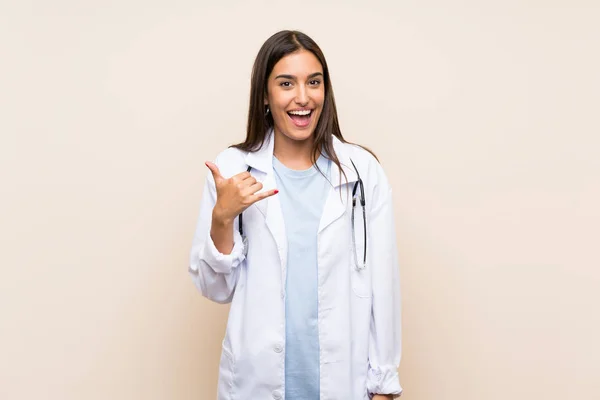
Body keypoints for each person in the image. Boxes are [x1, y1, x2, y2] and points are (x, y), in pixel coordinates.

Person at [189, 30, 402, 400]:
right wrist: (221, 219)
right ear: (266, 96)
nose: (303, 97)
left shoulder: (362, 172)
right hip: (257, 381)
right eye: (286, 83)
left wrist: (383, 383)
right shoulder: (234, 169)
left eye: (313, 82)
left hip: (342, 382)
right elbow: (216, 289)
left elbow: (383, 283)